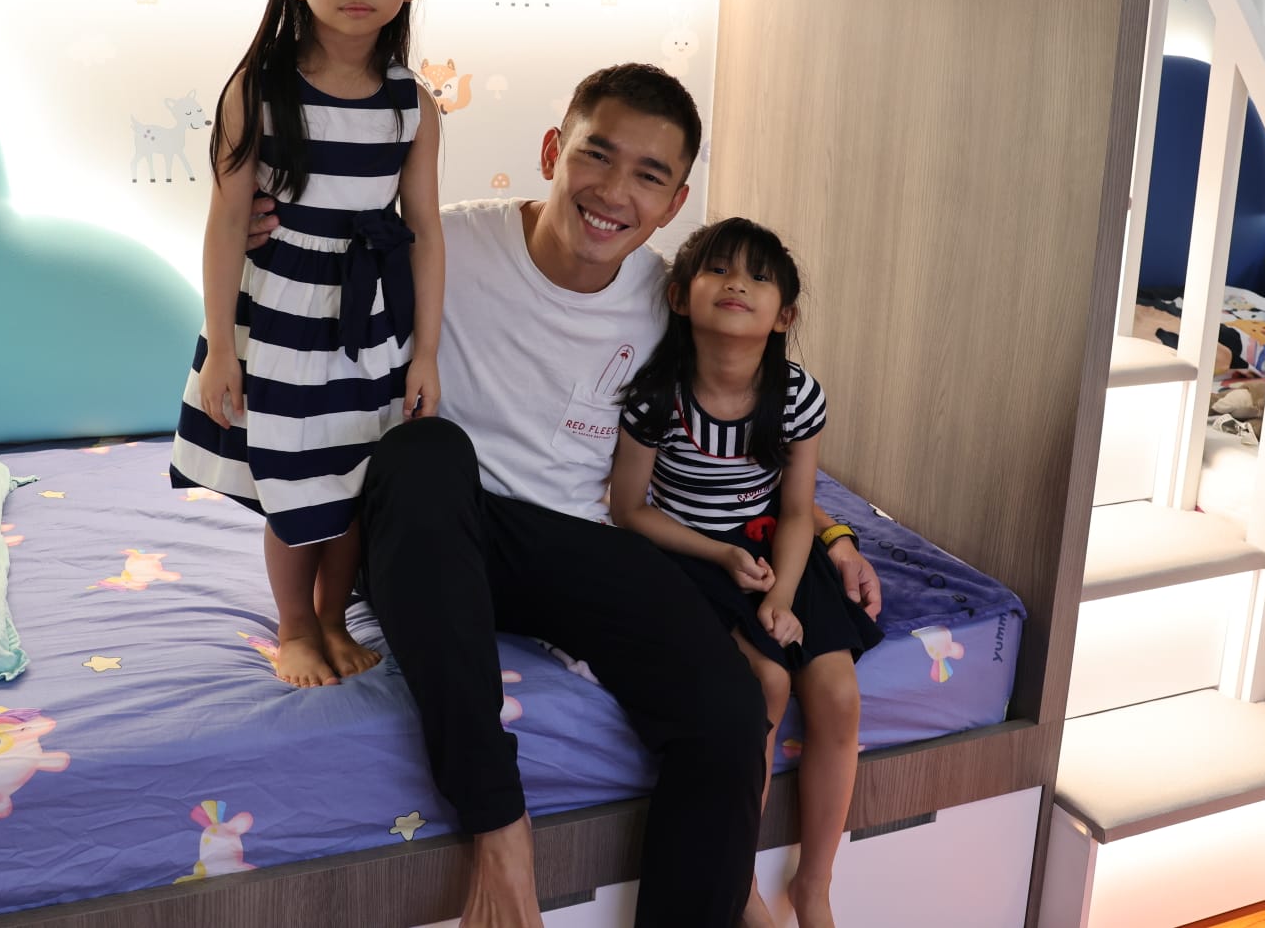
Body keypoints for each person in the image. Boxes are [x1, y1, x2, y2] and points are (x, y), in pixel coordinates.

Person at [246, 63, 883, 927]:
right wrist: (262, 233)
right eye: (597, 155)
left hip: (575, 546)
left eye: (649, 177)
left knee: (730, 713)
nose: (614, 193)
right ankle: (500, 828)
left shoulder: (669, 302)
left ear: (674, 202)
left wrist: (834, 533)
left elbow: (747, 446)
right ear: (553, 151)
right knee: (425, 449)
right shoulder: (442, 244)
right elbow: (306, 291)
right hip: (432, 536)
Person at [171, 0, 444, 690]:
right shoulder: (258, 89)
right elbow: (227, 223)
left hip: (372, 321)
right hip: (282, 315)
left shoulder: (414, 104)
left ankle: (333, 618)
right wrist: (222, 350)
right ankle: (294, 625)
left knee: (355, 474)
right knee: (293, 475)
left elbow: (426, 230)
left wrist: (426, 354)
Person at [611, 218, 877, 928]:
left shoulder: (797, 396)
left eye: (759, 277)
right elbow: (628, 510)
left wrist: (784, 594)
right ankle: (742, 885)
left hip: (776, 549)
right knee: (765, 684)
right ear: (679, 296)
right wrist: (721, 555)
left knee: (838, 693)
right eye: (719, 270)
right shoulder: (656, 397)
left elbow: (796, 511)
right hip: (689, 553)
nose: (737, 285)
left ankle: (814, 884)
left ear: (784, 315)